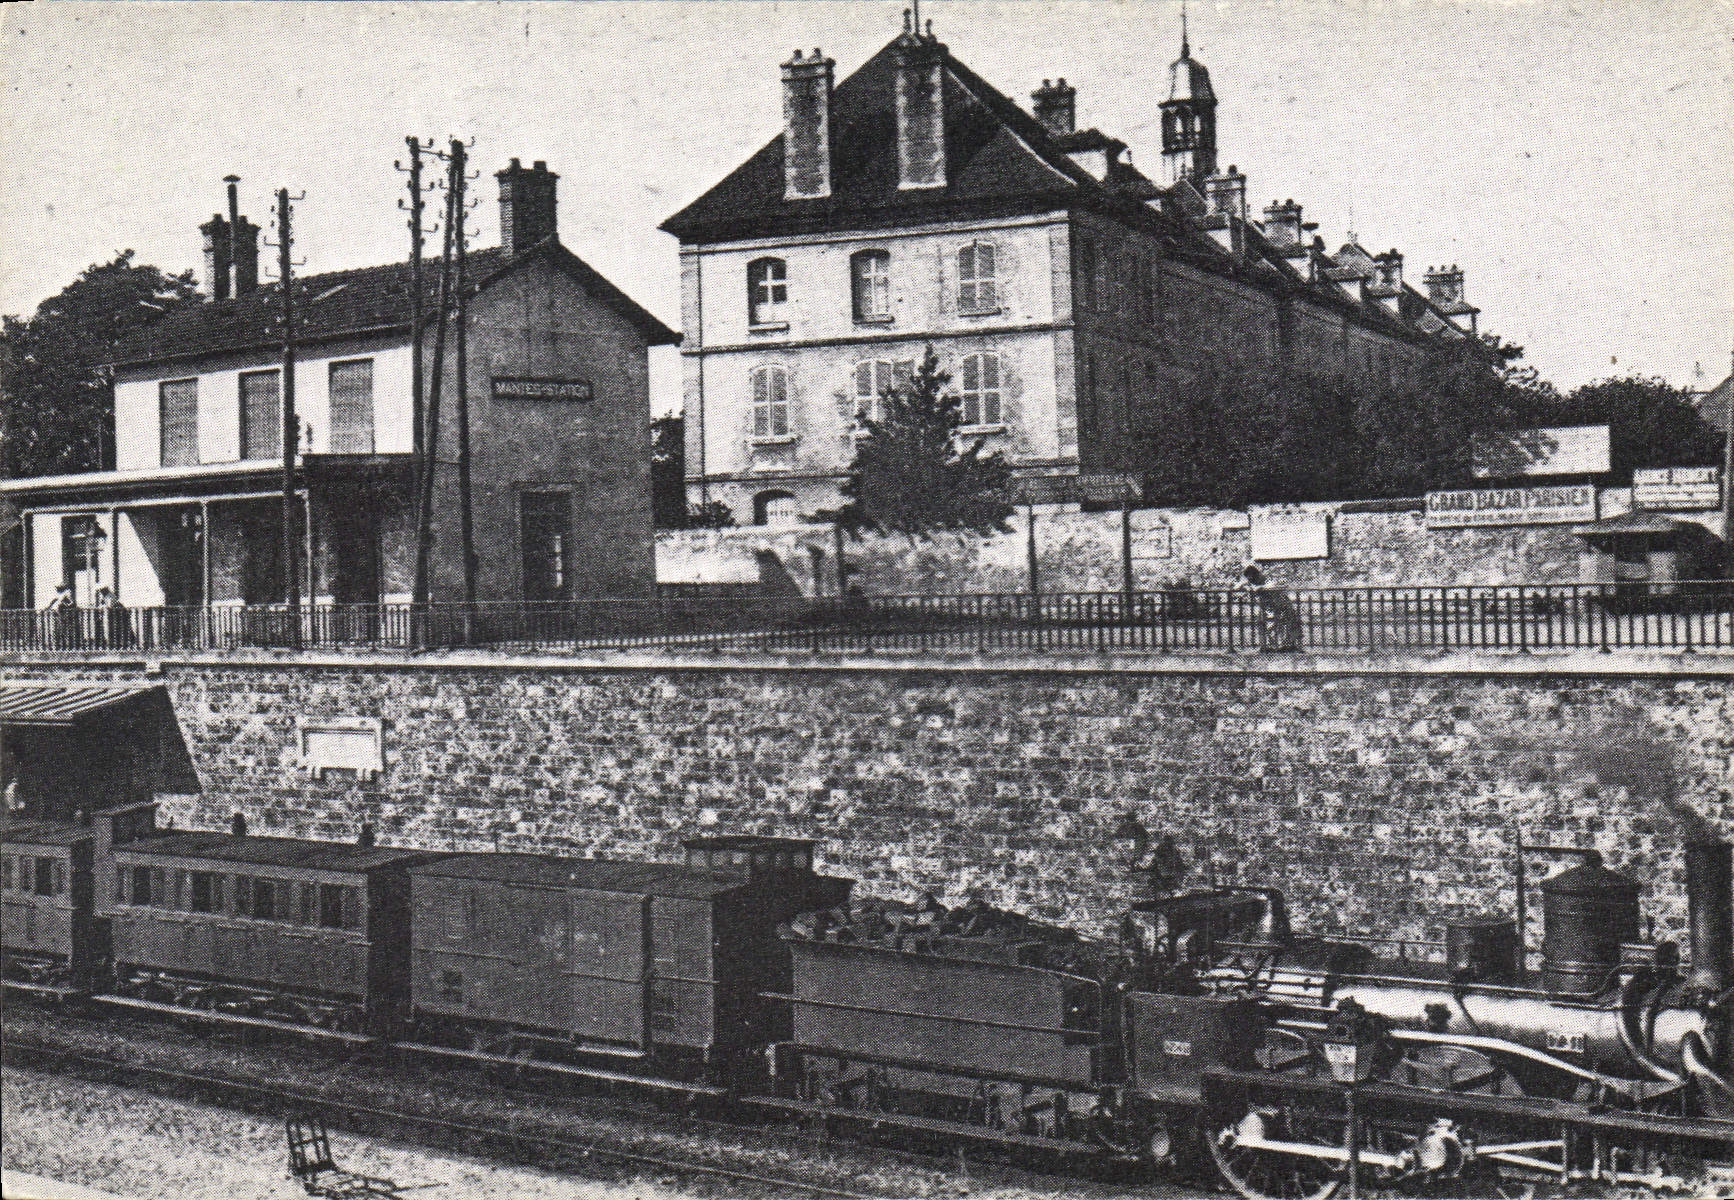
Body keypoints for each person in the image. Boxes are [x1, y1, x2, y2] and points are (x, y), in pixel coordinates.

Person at [1243, 564, 1302, 651]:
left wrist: (1260, 587)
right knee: (1266, 624)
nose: (1250, 579)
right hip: (1268, 605)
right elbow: (1239, 585)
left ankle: (1289, 645)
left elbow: (1272, 585)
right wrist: (1246, 587)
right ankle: (1269, 646)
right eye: (1248, 578)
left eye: (1251, 577)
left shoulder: (1265, 578)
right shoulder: (1252, 581)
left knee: (1286, 623)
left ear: (1256, 575)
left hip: (1280, 603)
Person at [44, 583, 78, 649]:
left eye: (58, 588)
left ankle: (67, 645)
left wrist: (65, 604)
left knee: (65, 629)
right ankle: (58, 644)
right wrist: (48, 607)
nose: (57, 590)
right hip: (57, 614)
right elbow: (53, 601)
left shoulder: (66, 594)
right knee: (57, 629)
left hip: (64, 614)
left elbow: (71, 602)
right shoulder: (58, 595)